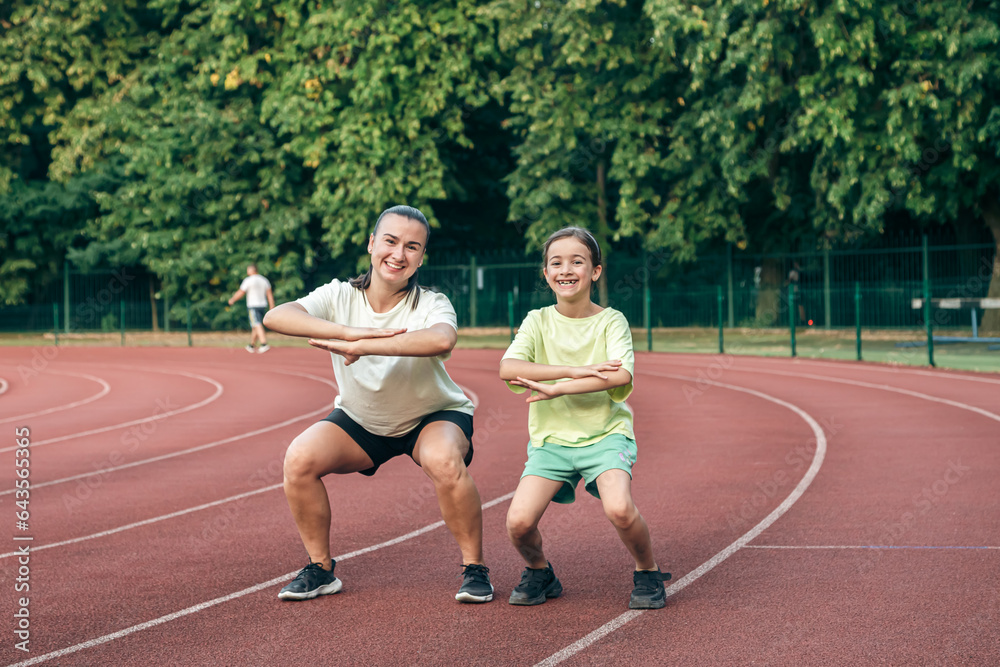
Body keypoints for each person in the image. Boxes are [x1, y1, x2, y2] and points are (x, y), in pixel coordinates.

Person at [262, 205, 493, 604]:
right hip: (362, 420)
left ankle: (475, 569)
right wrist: (350, 331)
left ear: (422, 257)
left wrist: (364, 344)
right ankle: (321, 569)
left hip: (431, 416)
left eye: (412, 246)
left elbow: (441, 340)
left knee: (443, 460)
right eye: (390, 241)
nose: (398, 254)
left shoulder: (431, 303)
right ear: (372, 243)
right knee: (298, 459)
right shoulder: (338, 295)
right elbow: (277, 316)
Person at [499, 226, 670, 609]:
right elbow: (508, 367)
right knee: (518, 524)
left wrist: (558, 387)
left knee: (620, 509)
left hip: (606, 436)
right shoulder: (537, 321)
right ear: (546, 274)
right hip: (551, 442)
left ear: (595, 271)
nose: (566, 269)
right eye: (556, 262)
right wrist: (577, 371)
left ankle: (648, 571)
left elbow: (620, 375)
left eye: (577, 261)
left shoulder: (611, 321)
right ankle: (541, 572)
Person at [228, 264, 276, 353]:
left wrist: (233, 299)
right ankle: (251, 345)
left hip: (253, 306)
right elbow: (269, 294)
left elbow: (241, 292)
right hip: (263, 305)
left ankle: (264, 343)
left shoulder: (248, 280)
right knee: (255, 325)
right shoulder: (264, 280)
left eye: (248, 270)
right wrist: (271, 305)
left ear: (251, 270)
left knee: (257, 324)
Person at [786, 260, 806, 326]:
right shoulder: (801, 271)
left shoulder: (793, 272)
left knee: (795, 307)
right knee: (800, 306)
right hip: (800, 290)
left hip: (794, 291)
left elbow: (789, 280)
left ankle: (795, 321)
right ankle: (802, 321)